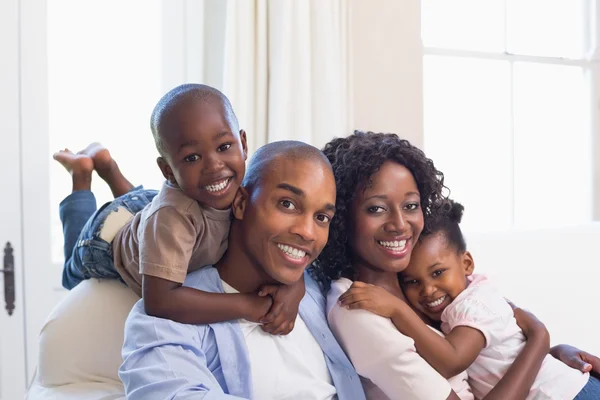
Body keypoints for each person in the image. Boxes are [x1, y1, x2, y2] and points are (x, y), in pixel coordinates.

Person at [314, 131, 600, 400]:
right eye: (376, 208)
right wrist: (539, 338)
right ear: (341, 217)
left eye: (411, 206)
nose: (400, 225)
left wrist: (552, 349)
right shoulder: (359, 309)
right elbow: (470, 353)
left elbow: (506, 337)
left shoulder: (410, 279)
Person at [119, 141, 366, 400]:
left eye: (321, 218)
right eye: (287, 204)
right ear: (240, 203)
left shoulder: (319, 288)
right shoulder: (164, 316)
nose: (307, 232)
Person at [53, 84, 302, 333]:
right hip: (107, 235)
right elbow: (160, 300)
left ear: (243, 143)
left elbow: (291, 239)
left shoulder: (242, 189)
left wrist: (294, 287)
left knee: (149, 209)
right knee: (69, 275)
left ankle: (109, 167)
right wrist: (248, 305)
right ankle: (81, 174)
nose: (215, 166)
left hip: (149, 206)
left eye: (224, 147)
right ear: (168, 171)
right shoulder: (173, 218)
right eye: (193, 158)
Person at [339, 199, 600, 399]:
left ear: (466, 263)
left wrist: (397, 310)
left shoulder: (473, 305)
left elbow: (452, 361)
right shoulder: (457, 306)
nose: (428, 290)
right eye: (413, 281)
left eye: (438, 273)